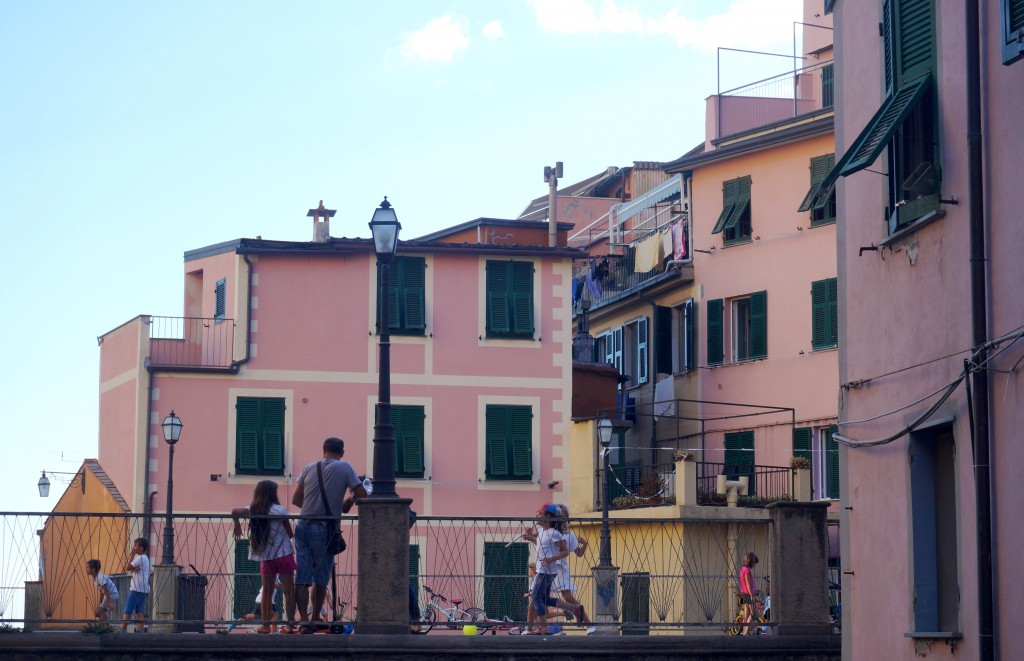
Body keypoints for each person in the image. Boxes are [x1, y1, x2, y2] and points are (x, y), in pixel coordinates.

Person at [291, 436, 367, 634]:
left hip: (302, 525)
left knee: (302, 577)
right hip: (324, 528)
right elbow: (362, 494)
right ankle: (316, 617)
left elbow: (296, 499)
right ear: (341, 453)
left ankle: (304, 621)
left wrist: (315, 507)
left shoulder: (309, 468)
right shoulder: (345, 467)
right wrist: (348, 501)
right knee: (320, 578)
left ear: (323, 450)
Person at [232, 480, 297, 634]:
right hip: (284, 554)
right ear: (273, 493)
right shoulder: (280, 510)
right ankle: (289, 625)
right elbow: (290, 533)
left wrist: (237, 524)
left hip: (266, 556)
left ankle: (265, 625)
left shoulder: (254, 509)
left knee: (267, 591)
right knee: (288, 590)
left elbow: (235, 511)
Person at [552, 504, 597, 634]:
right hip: (548, 567)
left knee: (567, 597)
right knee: (540, 596)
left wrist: (585, 544)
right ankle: (533, 628)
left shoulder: (568, 534)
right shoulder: (549, 531)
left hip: (560, 568)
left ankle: (588, 623)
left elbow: (579, 553)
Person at [527, 504, 568, 635]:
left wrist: (552, 558)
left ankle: (543, 628)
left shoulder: (554, 533)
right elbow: (541, 545)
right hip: (543, 570)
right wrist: (529, 537)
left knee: (535, 597)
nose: (536, 515)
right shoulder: (541, 532)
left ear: (548, 516)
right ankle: (572, 608)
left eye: (539, 513)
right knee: (542, 599)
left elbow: (565, 551)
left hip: (546, 571)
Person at [120, 537, 150, 633]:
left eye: (135, 545)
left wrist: (132, 555)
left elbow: (128, 567)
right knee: (139, 611)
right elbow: (133, 568)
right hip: (143, 589)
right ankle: (140, 630)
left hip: (136, 589)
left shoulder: (140, 558)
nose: (134, 548)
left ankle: (122, 629)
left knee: (127, 610)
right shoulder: (145, 558)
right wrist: (133, 569)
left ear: (141, 547)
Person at [739, 551, 759, 635]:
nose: (754, 565)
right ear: (750, 561)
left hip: (744, 593)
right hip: (748, 593)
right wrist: (752, 595)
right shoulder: (746, 570)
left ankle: (744, 631)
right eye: (754, 563)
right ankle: (746, 633)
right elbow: (748, 584)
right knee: (753, 613)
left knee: (746, 615)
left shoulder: (742, 569)